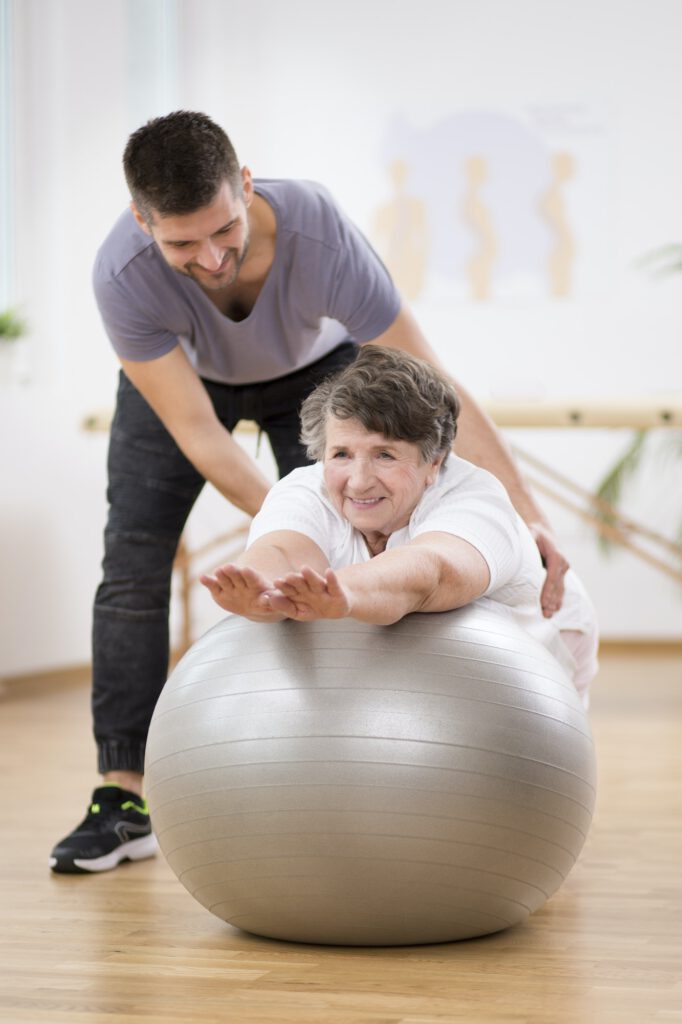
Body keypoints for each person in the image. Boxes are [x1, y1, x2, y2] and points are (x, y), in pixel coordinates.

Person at [50, 110, 572, 874]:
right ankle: (121, 799)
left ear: (246, 186)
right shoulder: (122, 273)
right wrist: (298, 517)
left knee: (361, 551)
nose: (211, 256)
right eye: (181, 244)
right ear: (142, 222)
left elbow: (433, 385)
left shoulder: (319, 234)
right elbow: (201, 438)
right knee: (131, 560)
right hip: (187, 384)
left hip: (314, 373)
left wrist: (528, 517)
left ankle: (356, 750)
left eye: (224, 229)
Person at [201, 346, 599, 697]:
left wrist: (347, 591)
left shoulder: (475, 498)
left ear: (435, 461)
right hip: (415, 663)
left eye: (385, 455)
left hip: (542, 646)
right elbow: (282, 550)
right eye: (341, 454)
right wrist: (263, 592)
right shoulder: (307, 489)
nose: (358, 480)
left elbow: (430, 573)